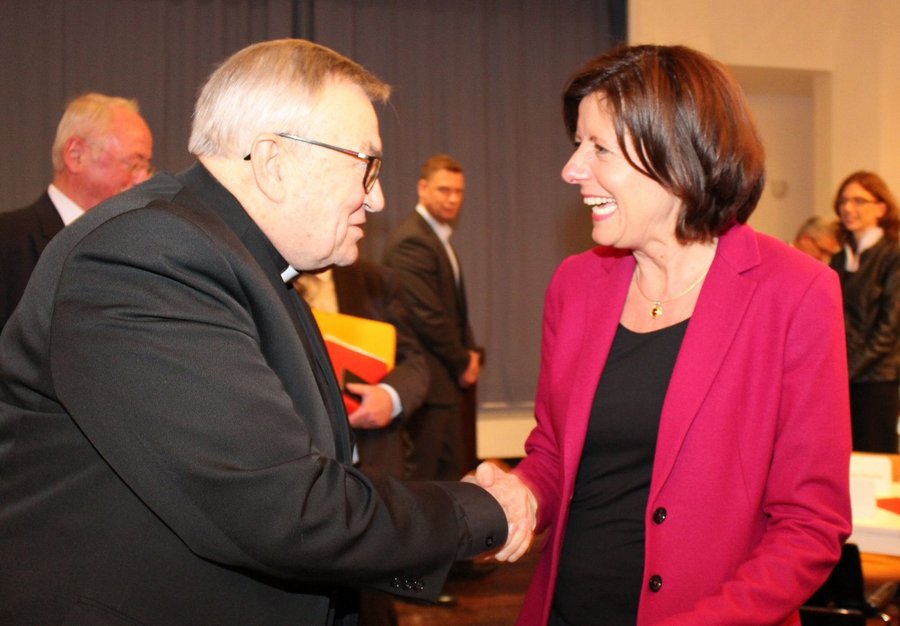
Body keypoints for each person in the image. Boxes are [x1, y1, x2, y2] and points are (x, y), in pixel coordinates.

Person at [0, 39, 534, 625]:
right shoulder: (148, 254)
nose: (377, 199)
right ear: (274, 161)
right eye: (367, 166)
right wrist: (478, 512)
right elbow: (281, 508)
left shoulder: (236, 259)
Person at [473, 44, 852, 625]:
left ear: (675, 155)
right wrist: (523, 492)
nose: (571, 169)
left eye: (598, 147)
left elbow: (810, 525)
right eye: (577, 143)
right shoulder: (576, 284)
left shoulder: (796, 293)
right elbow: (553, 452)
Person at [0, 92, 154, 330]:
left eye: (147, 167)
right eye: (135, 164)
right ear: (76, 155)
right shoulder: (8, 241)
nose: (144, 179)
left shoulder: (138, 254)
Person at [382, 154, 483, 481]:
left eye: (458, 191)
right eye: (444, 190)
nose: (452, 198)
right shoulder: (413, 240)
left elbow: (452, 310)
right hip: (427, 385)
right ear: (422, 188)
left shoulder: (436, 237)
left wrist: (471, 352)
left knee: (449, 478)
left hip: (442, 384)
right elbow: (427, 316)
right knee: (427, 483)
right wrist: (462, 361)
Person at [296, 260, 429, 480]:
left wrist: (389, 397)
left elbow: (412, 360)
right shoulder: (258, 275)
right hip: (298, 461)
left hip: (371, 458)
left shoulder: (374, 280)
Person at [829, 171, 900, 453]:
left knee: (874, 459)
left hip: (876, 380)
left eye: (859, 201)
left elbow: (889, 328)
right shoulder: (840, 258)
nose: (848, 208)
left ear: (881, 208)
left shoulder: (893, 255)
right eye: (844, 201)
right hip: (843, 377)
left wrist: (849, 369)